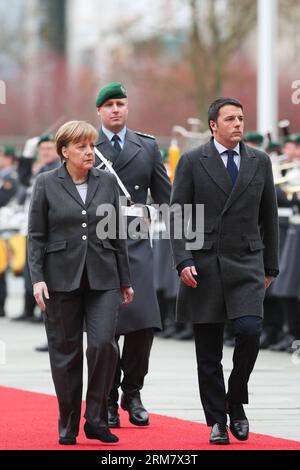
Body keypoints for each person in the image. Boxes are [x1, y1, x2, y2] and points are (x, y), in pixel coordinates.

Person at [170, 97, 279, 445]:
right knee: (208, 348)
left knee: (250, 331)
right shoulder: (191, 161)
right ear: (213, 126)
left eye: (241, 118)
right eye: (230, 119)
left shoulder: (259, 162)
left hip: (247, 260)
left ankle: (236, 399)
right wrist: (183, 259)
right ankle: (217, 419)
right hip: (204, 263)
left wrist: (271, 264)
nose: (238, 124)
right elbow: (178, 214)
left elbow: (269, 216)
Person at [27, 120, 133, 445]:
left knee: (103, 345)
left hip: (104, 277)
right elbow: (36, 236)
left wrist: (125, 279)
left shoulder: (107, 182)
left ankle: (97, 419)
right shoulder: (46, 183)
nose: (90, 152)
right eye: (82, 147)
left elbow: (117, 232)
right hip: (59, 279)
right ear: (65, 151)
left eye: (92, 146)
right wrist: (37, 279)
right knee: (66, 352)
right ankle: (68, 420)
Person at [95, 82, 171, 428]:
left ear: (127, 108)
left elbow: (167, 199)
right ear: (99, 111)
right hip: (97, 243)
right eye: (109, 104)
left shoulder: (147, 146)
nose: (115, 109)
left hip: (137, 240)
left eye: (120, 103)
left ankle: (133, 391)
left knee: (144, 322)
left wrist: (184, 247)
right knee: (105, 327)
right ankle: (107, 399)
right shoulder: (85, 144)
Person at [0, 145, 19, 317]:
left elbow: (3, 198)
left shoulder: (10, 178)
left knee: (2, 269)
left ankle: (1, 306)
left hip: (8, 230)